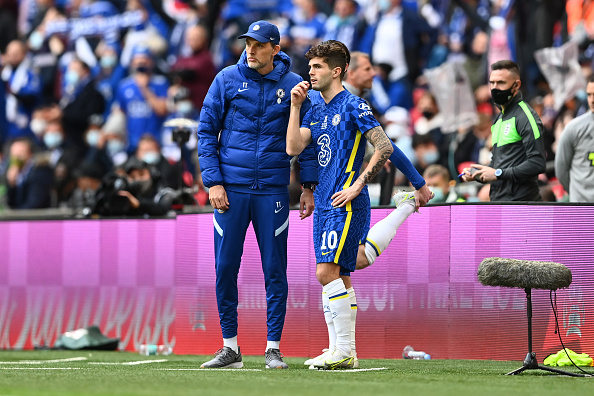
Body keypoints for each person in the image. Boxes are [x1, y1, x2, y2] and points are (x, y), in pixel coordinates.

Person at [287, 40, 430, 370]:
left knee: (326, 272)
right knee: (342, 273)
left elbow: (383, 146)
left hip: (347, 201)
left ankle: (344, 350)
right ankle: (340, 349)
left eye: (317, 66)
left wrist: (359, 183)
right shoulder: (313, 108)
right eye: (310, 66)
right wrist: (295, 108)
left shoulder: (354, 105)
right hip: (324, 201)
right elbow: (293, 146)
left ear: (336, 71)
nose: (310, 71)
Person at [197, 20, 318, 370]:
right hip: (230, 190)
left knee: (274, 271)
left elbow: (305, 140)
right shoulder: (226, 79)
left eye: (259, 44)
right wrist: (213, 182)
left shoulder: (296, 86)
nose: (250, 49)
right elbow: (206, 132)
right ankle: (230, 348)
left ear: (275, 49)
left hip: (272, 191)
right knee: (224, 269)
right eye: (248, 43)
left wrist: (308, 185)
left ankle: (273, 348)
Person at [461, 60, 547, 201]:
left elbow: (537, 163)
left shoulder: (525, 116)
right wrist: (477, 174)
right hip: (499, 203)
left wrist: (498, 173)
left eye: (501, 83)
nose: (495, 88)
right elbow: (498, 165)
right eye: (492, 83)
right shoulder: (498, 119)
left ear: (516, 85)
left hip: (522, 204)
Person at [554, 75, 594, 202]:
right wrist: (578, 195)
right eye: (589, 95)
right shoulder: (573, 128)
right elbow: (561, 171)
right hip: (582, 206)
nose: (592, 100)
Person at [4, 137, 53, 209]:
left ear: (30, 154)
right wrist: (12, 184)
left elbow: (34, 204)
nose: (16, 157)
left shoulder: (40, 171)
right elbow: (11, 203)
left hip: (37, 218)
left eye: (20, 153)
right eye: (13, 154)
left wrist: (16, 216)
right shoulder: (13, 172)